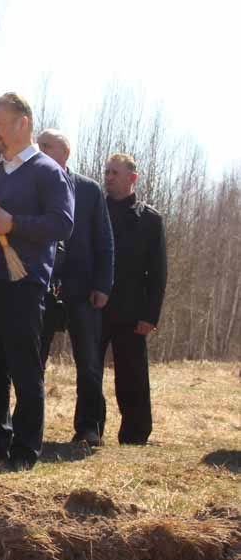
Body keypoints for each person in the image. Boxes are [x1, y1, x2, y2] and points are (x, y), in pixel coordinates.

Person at [0, 92, 74, 469]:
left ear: (22, 123)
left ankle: (26, 450)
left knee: (24, 368)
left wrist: (14, 224)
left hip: (23, 284)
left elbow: (63, 224)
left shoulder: (47, 171)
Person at [37, 129, 114, 446]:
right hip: (40, 286)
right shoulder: (32, 184)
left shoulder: (89, 190)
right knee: (32, 360)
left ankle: (88, 427)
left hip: (83, 288)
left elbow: (104, 241)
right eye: (37, 146)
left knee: (89, 361)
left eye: (46, 146)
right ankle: (30, 426)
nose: (39, 151)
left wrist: (103, 285)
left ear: (65, 153)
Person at [98, 153, 167, 444]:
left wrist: (150, 316)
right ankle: (89, 430)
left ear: (132, 178)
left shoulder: (149, 219)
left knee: (132, 375)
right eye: (107, 172)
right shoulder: (95, 210)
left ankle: (136, 434)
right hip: (95, 305)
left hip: (132, 311)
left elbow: (158, 271)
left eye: (115, 173)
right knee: (90, 372)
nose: (109, 177)